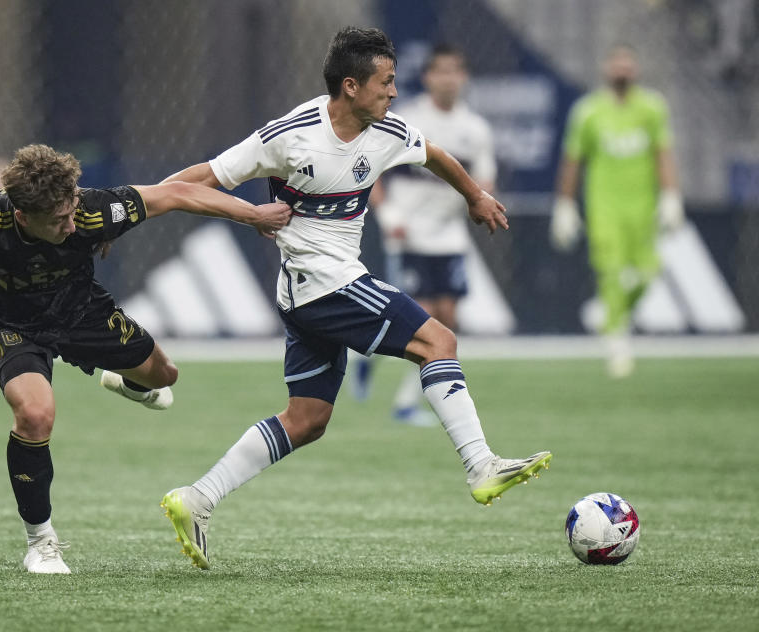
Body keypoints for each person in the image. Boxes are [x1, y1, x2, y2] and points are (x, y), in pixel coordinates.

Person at [157, 27, 552, 570]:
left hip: (312, 290)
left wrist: (475, 195)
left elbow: (433, 154)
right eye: (385, 82)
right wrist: (134, 209)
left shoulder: (386, 128)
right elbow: (200, 179)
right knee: (438, 339)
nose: (394, 92)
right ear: (350, 85)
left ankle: (197, 498)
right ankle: (480, 465)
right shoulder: (290, 135)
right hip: (325, 284)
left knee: (307, 418)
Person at [0, 143, 290, 574]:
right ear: (22, 216)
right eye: (59, 220)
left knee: (164, 375)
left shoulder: (90, 209)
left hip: (82, 314)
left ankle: (129, 383)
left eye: (73, 210)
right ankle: (41, 542)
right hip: (14, 325)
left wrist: (252, 216)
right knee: (35, 414)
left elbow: (175, 193)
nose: (72, 224)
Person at [351, 44, 497, 426]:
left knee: (447, 321)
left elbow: (482, 181)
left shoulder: (475, 129)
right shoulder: (408, 119)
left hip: (449, 236)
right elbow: (372, 171)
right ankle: (372, 362)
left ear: (463, 77)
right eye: (440, 71)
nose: (448, 78)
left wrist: (474, 200)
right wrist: (387, 214)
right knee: (422, 316)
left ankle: (402, 398)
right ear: (429, 76)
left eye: (455, 71)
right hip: (408, 233)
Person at [550, 44, 683, 378]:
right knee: (610, 272)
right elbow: (572, 160)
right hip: (604, 207)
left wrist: (671, 196)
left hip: (643, 207)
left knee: (647, 274)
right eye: (617, 63)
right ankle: (617, 341)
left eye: (628, 63)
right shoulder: (589, 111)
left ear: (635, 69)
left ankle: (612, 313)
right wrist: (565, 204)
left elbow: (662, 152)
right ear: (607, 69)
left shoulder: (652, 108)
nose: (622, 69)